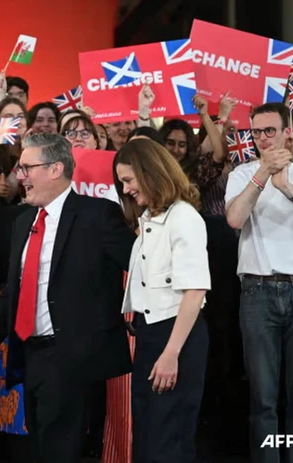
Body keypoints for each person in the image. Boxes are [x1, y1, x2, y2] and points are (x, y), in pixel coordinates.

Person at [0, 133, 135, 462]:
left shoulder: (98, 214)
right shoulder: (22, 221)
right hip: (31, 354)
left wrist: (141, 320)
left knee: (60, 448)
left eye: (28, 167)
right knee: (41, 446)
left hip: (73, 355)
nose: (21, 176)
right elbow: (14, 290)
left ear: (56, 169)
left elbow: (139, 268)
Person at [225, 102, 293, 463]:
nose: (262, 139)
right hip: (256, 292)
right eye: (256, 132)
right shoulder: (242, 174)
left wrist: (287, 189)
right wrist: (262, 177)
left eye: (270, 130)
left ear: (288, 131)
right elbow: (235, 219)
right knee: (263, 399)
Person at [114, 139, 211, 462]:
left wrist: (171, 353)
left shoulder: (184, 217)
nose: (125, 189)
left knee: (167, 437)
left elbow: (195, 291)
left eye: (128, 180)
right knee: (149, 433)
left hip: (175, 337)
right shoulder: (151, 219)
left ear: (150, 172)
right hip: (152, 335)